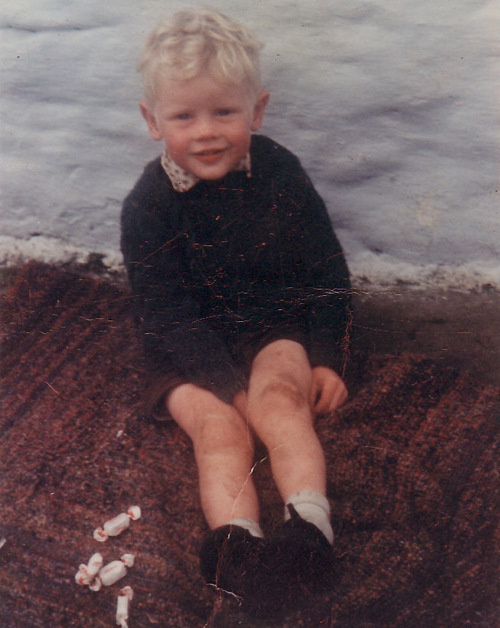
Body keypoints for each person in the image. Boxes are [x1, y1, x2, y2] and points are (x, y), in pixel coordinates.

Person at [121, 8, 352, 617]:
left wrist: (327, 356)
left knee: (279, 401)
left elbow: (327, 269)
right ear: (152, 121)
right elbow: (162, 312)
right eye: (183, 116)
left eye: (224, 112)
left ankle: (308, 530)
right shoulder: (148, 206)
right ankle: (238, 548)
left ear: (257, 110)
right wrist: (226, 387)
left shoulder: (280, 173)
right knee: (220, 430)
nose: (206, 132)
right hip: (183, 349)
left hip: (272, 324)